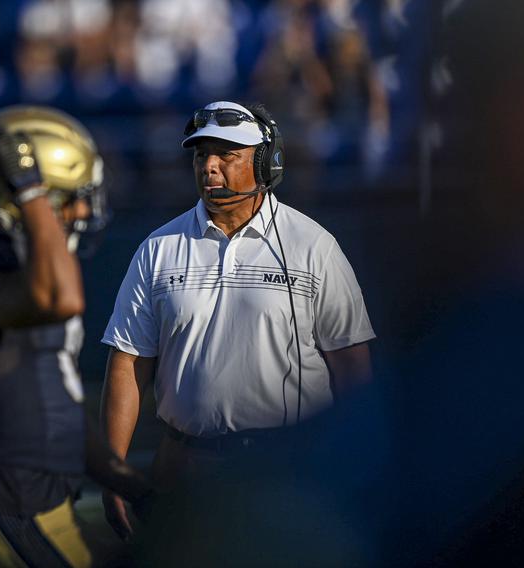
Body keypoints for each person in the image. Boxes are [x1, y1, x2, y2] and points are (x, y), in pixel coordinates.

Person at [99, 100, 376, 541]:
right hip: (184, 468)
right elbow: (128, 365)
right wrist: (113, 470)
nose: (209, 167)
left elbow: (353, 372)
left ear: (267, 162)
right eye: (200, 154)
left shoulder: (314, 247)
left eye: (227, 154)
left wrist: (358, 469)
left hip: (289, 474)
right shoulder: (158, 248)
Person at [0, 105, 152, 567]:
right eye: (69, 197)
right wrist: (32, 191)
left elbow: (57, 404)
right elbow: (59, 300)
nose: (85, 210)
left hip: (38, 494)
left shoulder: (30, 264)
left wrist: (128, 483)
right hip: (14, 505)